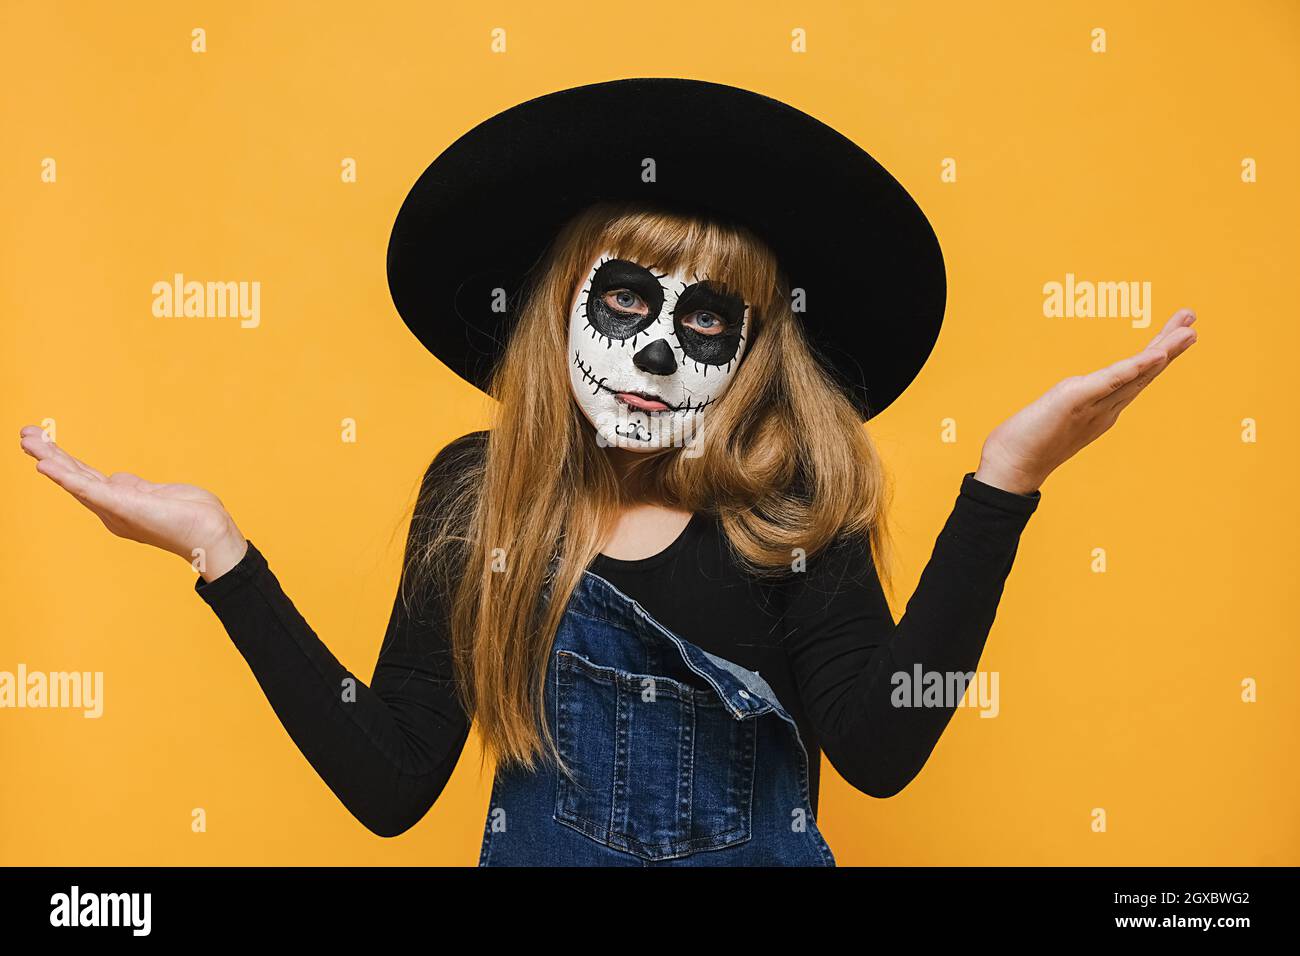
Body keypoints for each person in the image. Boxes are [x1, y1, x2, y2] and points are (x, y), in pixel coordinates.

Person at [18, 79, 1197, 866]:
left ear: (749, 352)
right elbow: (388, 781)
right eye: (626, 299)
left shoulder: (794, 514)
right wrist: (223, 557)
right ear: (558, 311)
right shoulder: (476, 497)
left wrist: (1005, 484)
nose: (648, 349)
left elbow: (884, 752)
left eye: (700, 322)